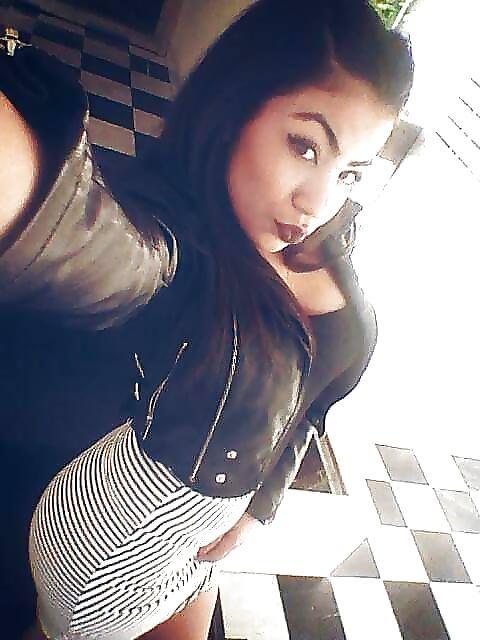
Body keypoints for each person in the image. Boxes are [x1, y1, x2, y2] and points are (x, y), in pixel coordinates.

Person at [0, 0, 414, 638]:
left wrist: (260, 505)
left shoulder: (325, 235)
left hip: (192, 558)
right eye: (305, 146)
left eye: (350, 172)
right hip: (98, 569)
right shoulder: (163, 241)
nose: (318, 202)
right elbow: (75, 233)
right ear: (235, 106)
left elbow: (311, 401)